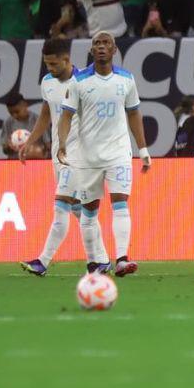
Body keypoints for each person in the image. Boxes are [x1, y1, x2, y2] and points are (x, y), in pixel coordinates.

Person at [55, 32, 151, 278]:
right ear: (91, 50)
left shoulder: (127, 80)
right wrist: (63, 143)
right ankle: (94, 261)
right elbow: (66, 115)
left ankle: (121, 258)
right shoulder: (79, 81)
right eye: (96, 43)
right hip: (88, 156)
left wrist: (143, 149)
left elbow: (134, 114)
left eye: (105, 43)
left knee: (120, 203)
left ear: (114, 49)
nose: (100, 47)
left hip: (118, 152)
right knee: (88, 211)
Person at [18, 39, 80, 276]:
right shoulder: (47, 82)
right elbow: (47, 113)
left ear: (67, 59)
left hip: (77, 153)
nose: (50, 68)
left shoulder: (84, 81)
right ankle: (102, 259)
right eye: (46, 64)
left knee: (62, 205)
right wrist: (30, 141)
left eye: (54, 64)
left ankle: (42, 261)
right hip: (58, 153)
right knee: (80, 211)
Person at [0, 94, 44, 159]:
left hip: (36, 161)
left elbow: (48, 146)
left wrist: (35, 149)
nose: (14, 115)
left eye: (17, 112)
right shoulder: (8, 122)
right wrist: (9, 147)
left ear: (25, 105)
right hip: (14, 162)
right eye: (11, 113)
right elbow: (5, 150)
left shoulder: (38, 120)